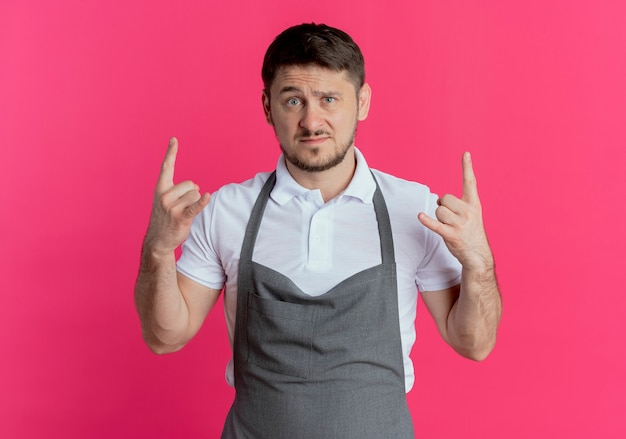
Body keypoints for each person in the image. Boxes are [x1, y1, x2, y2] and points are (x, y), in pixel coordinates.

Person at [135, 23, 502, 439]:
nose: (312, 121)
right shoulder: (225, 210)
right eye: (293, 100)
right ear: (267, 106)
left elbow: (474, 343)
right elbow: (165, 337)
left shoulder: (413, 208)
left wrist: (479, 262)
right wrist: (159, 251)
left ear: (362, 102)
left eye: (329, 99)